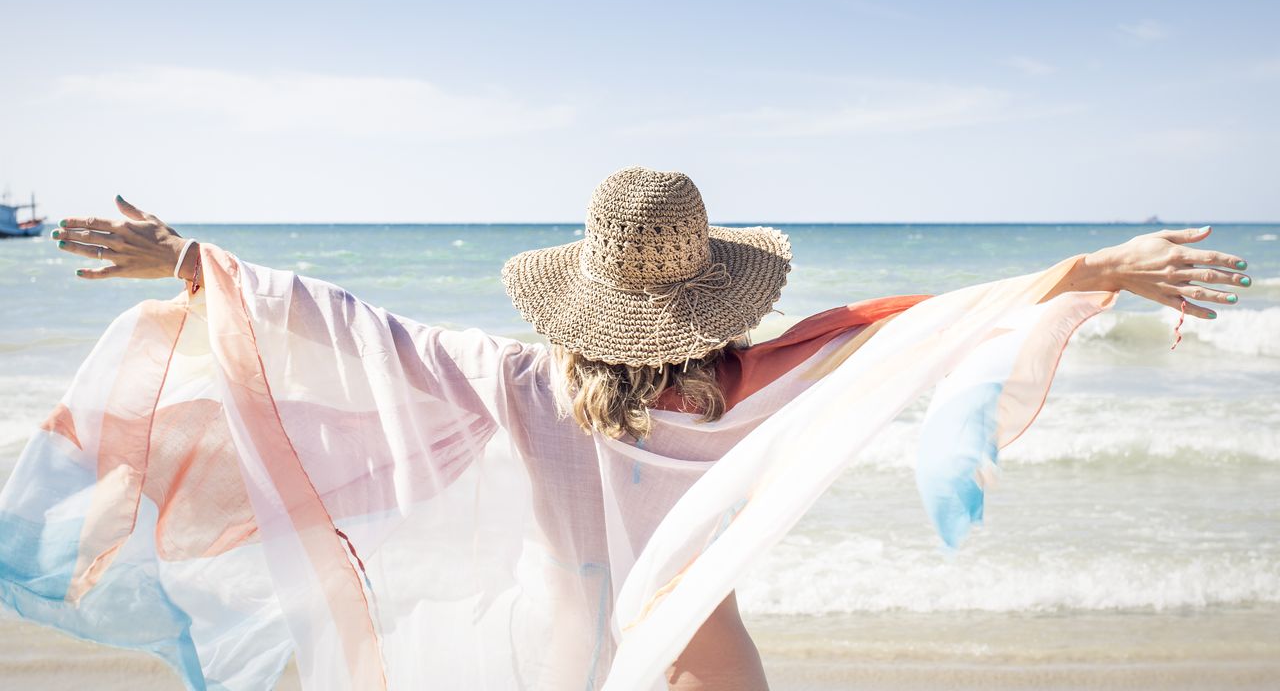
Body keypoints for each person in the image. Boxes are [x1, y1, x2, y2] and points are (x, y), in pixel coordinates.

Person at [2, 166, 1249, 691]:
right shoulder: (763, 370)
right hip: (701, 635)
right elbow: (929, 318)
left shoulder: (511, 376)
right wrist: (1100, 270)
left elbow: (336, 325)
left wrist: (189, 260)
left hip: (561, 638)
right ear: (714, 286)